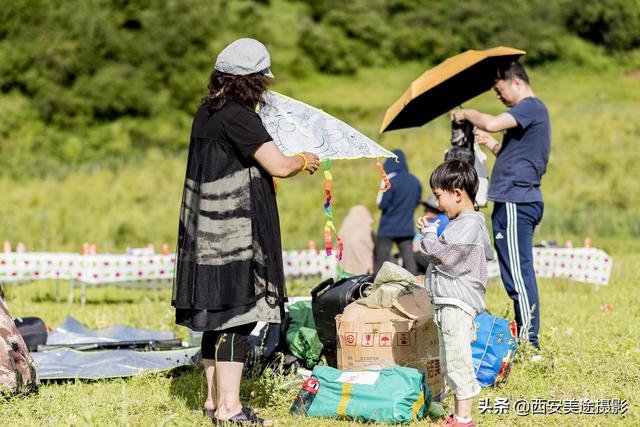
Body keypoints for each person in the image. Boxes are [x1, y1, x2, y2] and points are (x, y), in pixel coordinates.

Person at [171, 38, 320, 426]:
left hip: (205, 229)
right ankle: (230, 408)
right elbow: (279, 166)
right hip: (233, 233)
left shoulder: (207, 112)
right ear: (253, 81)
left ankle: (211, 401)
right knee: (238, 317)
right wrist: (304, 158)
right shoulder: (240, 117)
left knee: (214, 315)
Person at [451, 61, 550, 350]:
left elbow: (493, 121)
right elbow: (512, 154)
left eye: (499, 89)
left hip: (516, 201)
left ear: (516, 83)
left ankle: (529, 342)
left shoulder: (530, 106)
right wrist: (491, 144)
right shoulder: (530, 116)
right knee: (513, 271)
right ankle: (526, 337)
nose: (498, 96)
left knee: (518, 273)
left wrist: (466, 113)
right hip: (514, 199)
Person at [417, 160, 493, 427]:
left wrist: (428, 235)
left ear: (458, 193)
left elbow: (444, 257)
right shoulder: (462, 223)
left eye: (439, 196)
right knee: (450, 360)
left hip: (456, 304)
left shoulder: (468, 224)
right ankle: (459, 415)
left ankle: (464, 419)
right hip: (448, 302)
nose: (438, 204)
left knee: (458, 361)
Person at [374, 149, 422, 275]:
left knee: (381, 262)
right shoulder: (415, 181)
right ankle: (415, 287)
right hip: (406, 228)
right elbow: (417, 201)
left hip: (387, 228)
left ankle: (377, 288)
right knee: (409, 262)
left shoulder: (389, 181)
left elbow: (381, 204)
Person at [412, 195, 449, 275]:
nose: (424, 210)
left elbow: (415, 247)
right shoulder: (446, 218)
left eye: (427, 208)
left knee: (411, 256)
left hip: (436, 261)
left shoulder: (434, 223)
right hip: (444, 260)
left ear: (434, 210)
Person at [338, 205, 375, 276]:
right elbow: (373, 246)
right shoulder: (365, 229)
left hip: (345, 270)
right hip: (364, 271)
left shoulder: (343, 229)